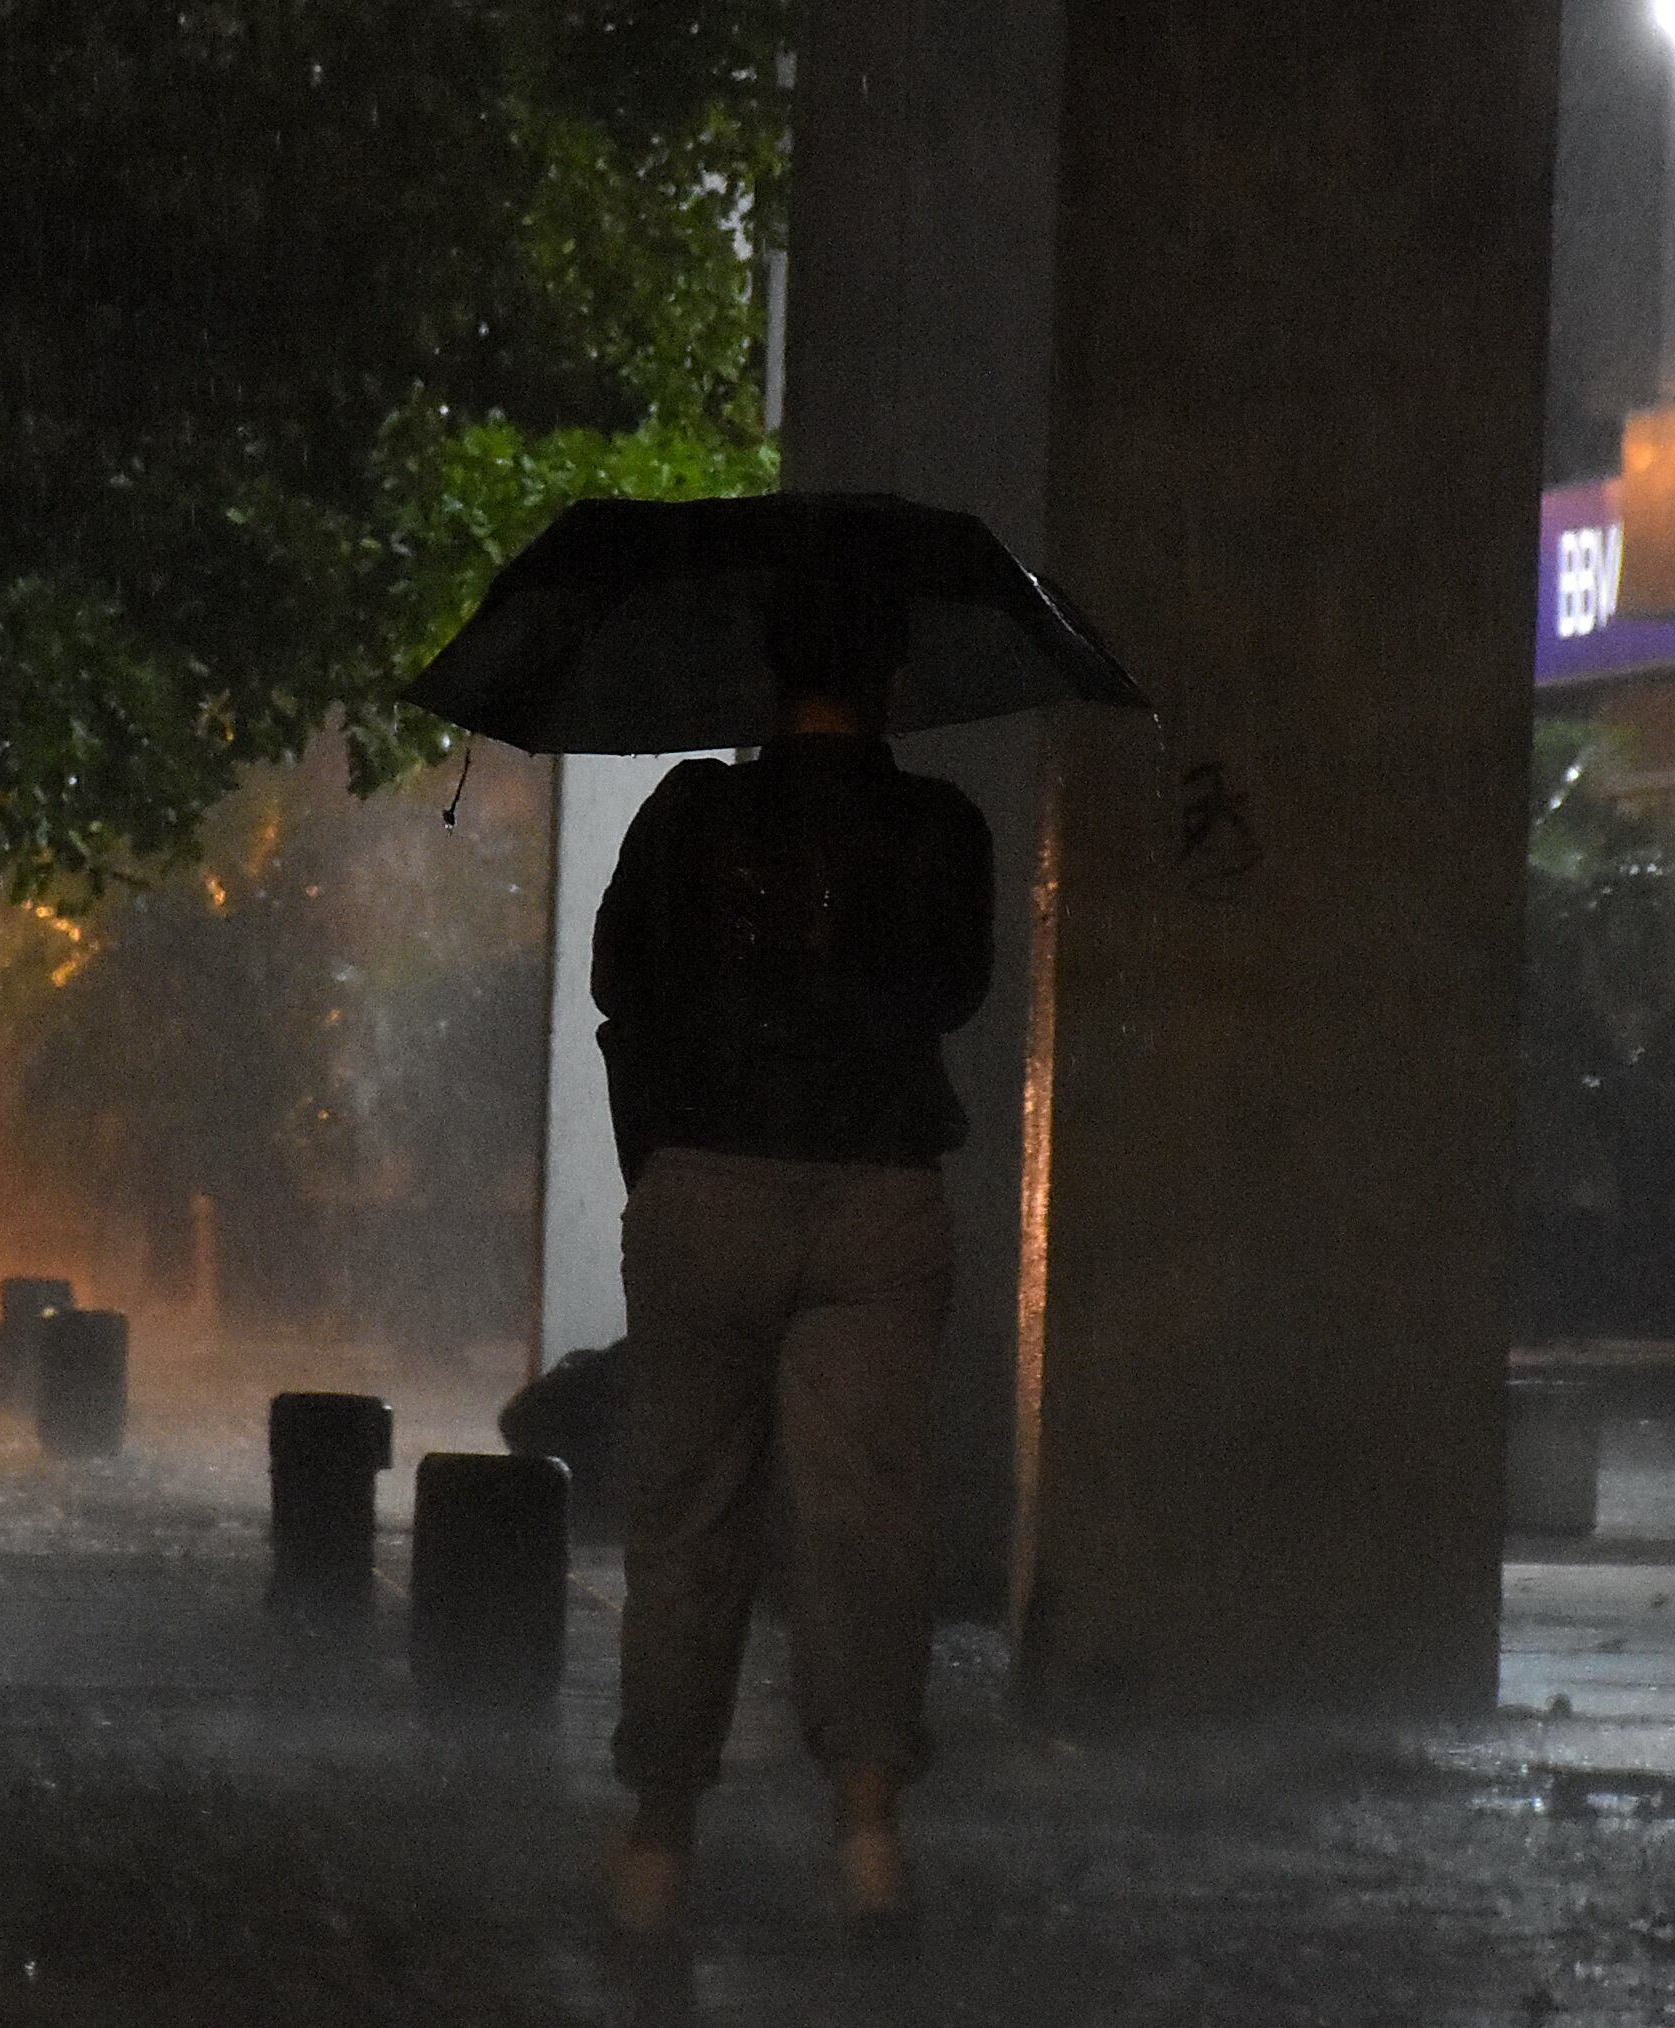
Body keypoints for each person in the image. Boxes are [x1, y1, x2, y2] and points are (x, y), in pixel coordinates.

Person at [590, 569, 994, 1937]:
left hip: (705, 1185)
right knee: (866, 1517)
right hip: (876, 1197)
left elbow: (622, 991)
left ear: (769, 680)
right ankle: (868, 1832)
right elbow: (955, 990)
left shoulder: (690, 817)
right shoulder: (941, 828)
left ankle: (658, 1841)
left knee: (688, 1516)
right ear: (893, 684)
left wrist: (657, 1153)